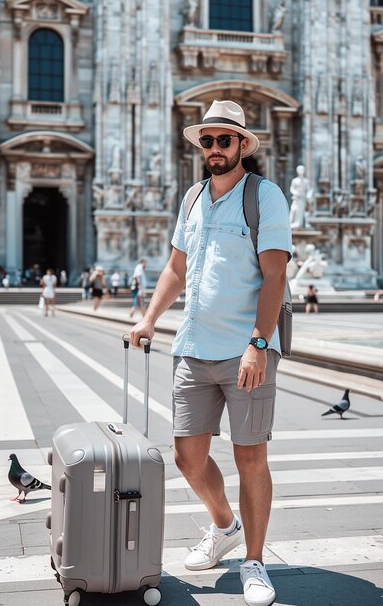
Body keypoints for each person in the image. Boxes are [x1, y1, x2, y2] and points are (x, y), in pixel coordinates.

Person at [130, 100, 291, 606]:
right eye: (208, 141)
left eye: (225, 140)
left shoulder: (265, 196)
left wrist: (258, 344)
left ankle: (255, 562)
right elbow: (176, 268)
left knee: (250, 457)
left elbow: (276, 275)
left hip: (246, 349)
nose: (215, 149)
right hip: (194, 346)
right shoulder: (194, 197)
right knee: (187, 457)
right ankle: (225, 526)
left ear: (244, 144)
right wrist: (149, 317)